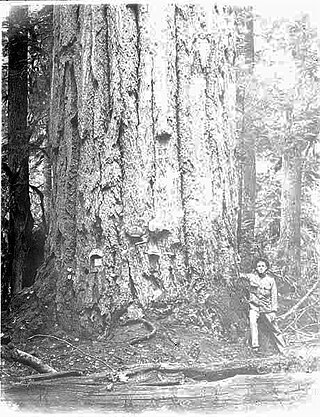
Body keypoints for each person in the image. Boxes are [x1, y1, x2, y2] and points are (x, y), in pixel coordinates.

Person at [240, 258, 286, 354]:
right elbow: (239, 275)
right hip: (254, 307)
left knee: (274, 328)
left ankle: (283, 350)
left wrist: (273, 311)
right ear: (256, 268)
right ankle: (255, 346)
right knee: (252, 322)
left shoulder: (271, 280)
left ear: (266, 268)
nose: (261, 268)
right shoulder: (251, 277)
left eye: (263, 266)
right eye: (259, 266)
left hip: (267, 309)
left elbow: (274, 296)